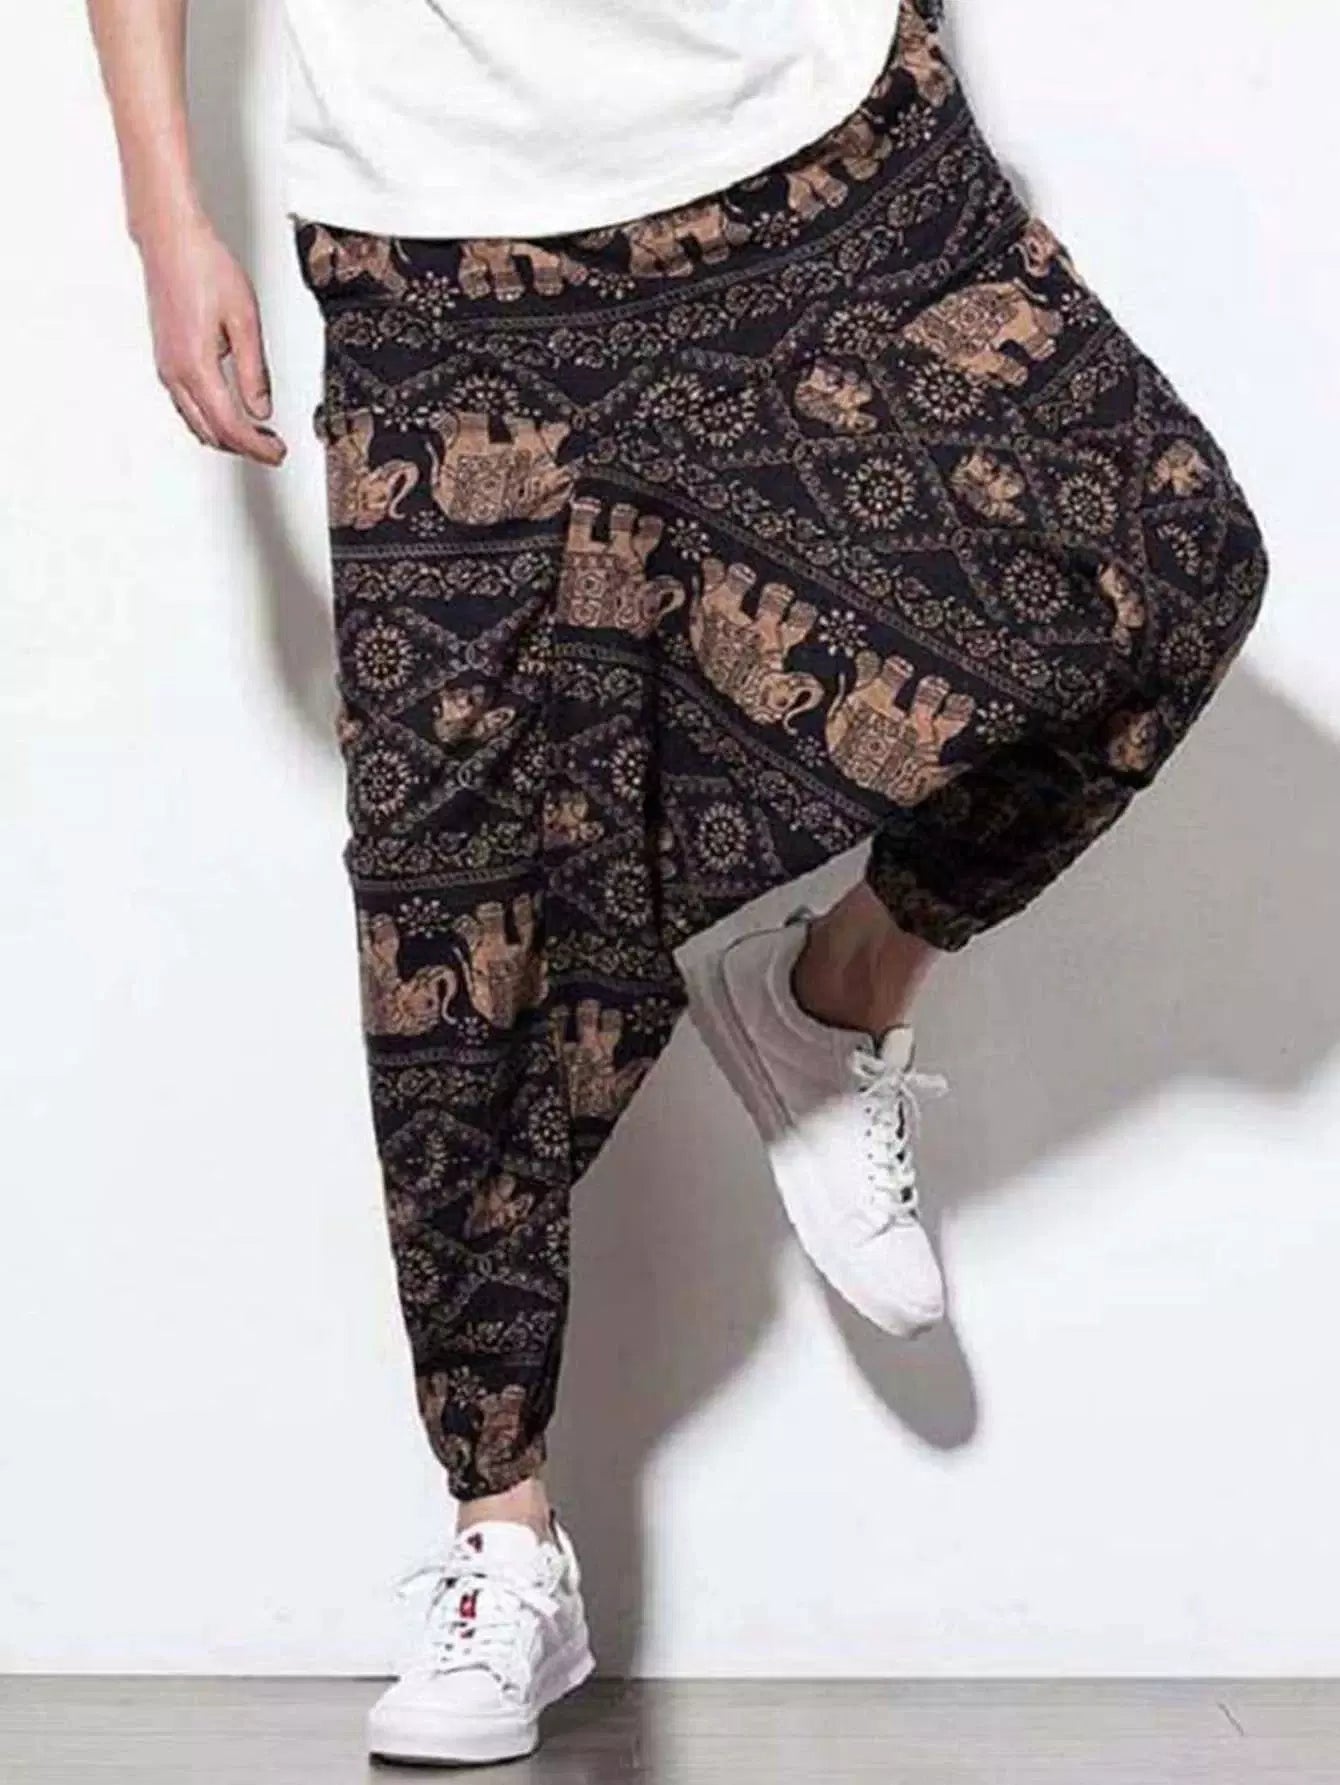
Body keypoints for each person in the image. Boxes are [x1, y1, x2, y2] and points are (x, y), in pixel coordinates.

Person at [87, 0, 1268, 1764]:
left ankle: (832, 994)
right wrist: (164, 215)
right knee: (453, 895)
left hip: (807, 133)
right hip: (438, 239)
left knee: (1170, 569)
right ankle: (503, 1536)